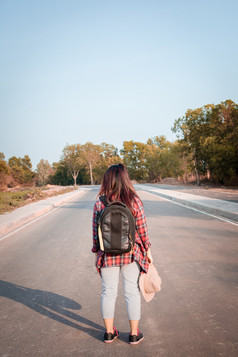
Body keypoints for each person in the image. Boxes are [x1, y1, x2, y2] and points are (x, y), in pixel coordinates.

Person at [92, 164, 153, 345]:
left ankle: (109, 333)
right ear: (126, 179)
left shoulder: (99, 203)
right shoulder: (134, 201)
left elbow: (96, 233)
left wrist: (97, 253)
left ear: (107, 180)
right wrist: (148, 252)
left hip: (108, 254)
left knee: (108, 292)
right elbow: (142, 231)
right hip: (131, 254)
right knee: (131, 293)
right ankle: (134, 334)